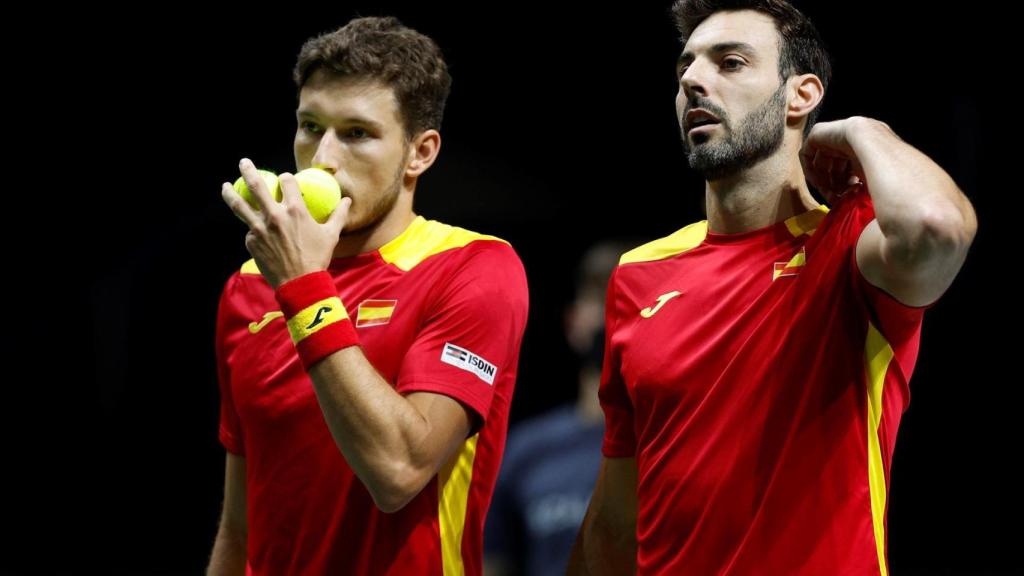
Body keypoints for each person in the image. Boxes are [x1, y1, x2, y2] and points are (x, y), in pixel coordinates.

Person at [569, 1, 977, 574]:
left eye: (730, 63)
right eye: (686, 67)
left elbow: (938, 226)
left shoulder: (849, 242)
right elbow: (615, 515)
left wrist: (861, 130)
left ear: (801, 94)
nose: (693, 80)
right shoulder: (638, 274)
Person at [208, 16, 529, 575]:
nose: (324, 158)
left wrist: (304, 288)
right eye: (311, 126)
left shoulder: (473, 268)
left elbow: (400, 471)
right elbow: (241, 526)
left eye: (357, 133)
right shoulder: (249, 287)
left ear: (419, 153)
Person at [483, 241, 634, 576]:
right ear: (573, 323)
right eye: (600, 299)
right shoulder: (524, 450)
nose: (613, 314)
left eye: (629, 299)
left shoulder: (677, 444)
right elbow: (492, 564)